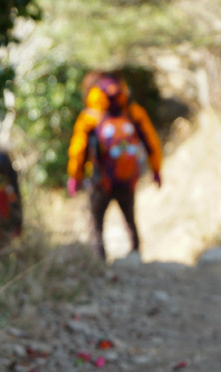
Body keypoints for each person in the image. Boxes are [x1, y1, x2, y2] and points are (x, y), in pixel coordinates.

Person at [67, 71, 162, 260]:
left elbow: (78, 150)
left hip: (98, 180)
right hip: (127, 178)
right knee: (130, 220)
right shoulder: (132, 112)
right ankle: (136, 257)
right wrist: (157, 170)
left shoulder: (89, 117)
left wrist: (74, 177)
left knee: (96, 224)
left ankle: (100, 261)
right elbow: (152, 142)